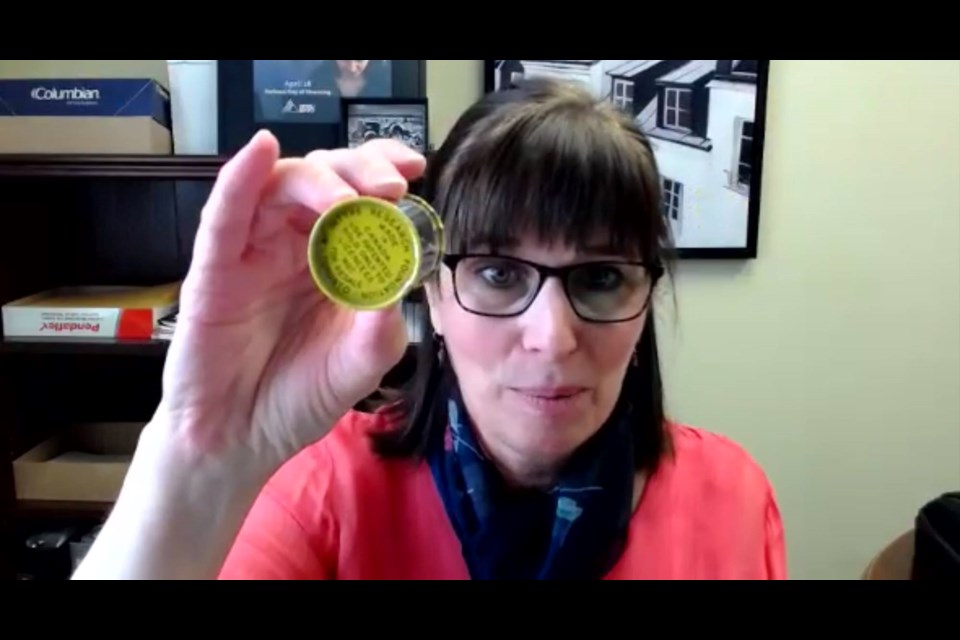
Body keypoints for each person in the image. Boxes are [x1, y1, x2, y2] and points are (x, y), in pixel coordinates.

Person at [72, 79, 786, 581]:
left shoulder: (733, 496)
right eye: (500, 274)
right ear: (435, 296)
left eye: (600, 278)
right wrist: (203, 452)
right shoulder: (320, 495)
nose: (552, 338)